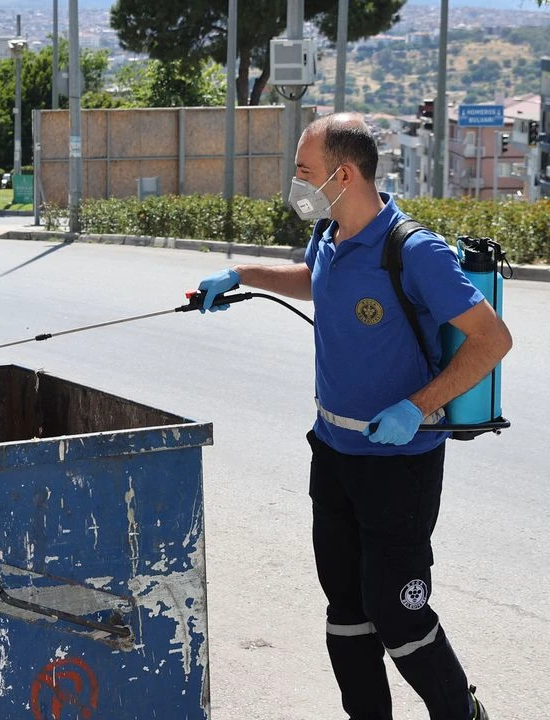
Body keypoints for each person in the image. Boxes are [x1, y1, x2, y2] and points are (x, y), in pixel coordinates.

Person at [197, 113, 511, 720]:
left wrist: (417, 406)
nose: (297, 183)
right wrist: (242, 274)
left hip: (399, 465)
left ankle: (460, 713)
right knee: (345, 609)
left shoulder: (413, 251)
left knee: (397, 612)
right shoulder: (331, 231)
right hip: (333, 453)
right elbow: (316, 279)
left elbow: (492, 339)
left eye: (304, 171)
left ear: (343, 174)